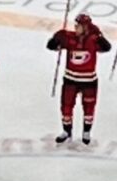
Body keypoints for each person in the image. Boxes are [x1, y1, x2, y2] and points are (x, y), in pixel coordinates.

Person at [47, 13, 112, 144]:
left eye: (79, 25)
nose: (76, 27)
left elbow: (107, 47)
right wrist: (55, 38)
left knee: (89, 107)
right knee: (66, 106)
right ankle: (67, 130)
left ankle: (86, 132)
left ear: (86, 27)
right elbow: (51, 46)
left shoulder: (94, 39)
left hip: (89, 81)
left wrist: (100, 37)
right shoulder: (69, 38)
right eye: (76, 25)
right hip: (70, 79)